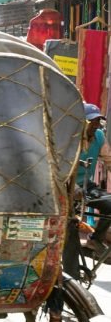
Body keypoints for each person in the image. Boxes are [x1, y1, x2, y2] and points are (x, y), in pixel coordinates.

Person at [75, 103, 111, 258]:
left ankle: (95, 240)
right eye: (92, 121)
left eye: (98, 121)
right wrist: (74, 188)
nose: (96, 125)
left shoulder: (99, 136)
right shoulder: (73, 137)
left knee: (110, 204)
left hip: (86, 185)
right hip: (68, 185)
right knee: (69, 224)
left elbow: (108, 159)